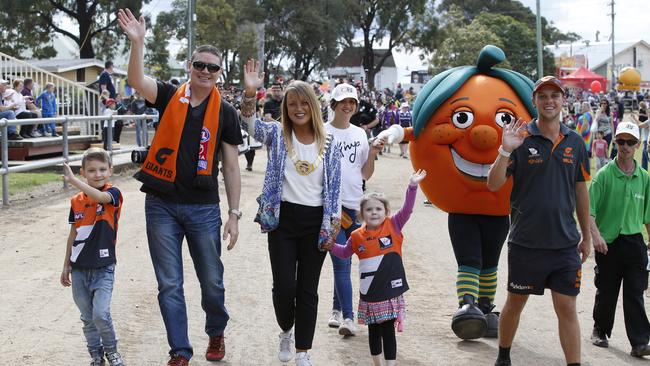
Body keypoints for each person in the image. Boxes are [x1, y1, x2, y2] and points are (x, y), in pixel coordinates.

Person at [118, 9, 243, 366]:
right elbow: (137, 80)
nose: (205, 71)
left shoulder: (228, 113)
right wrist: (137, 43)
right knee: (169, 284)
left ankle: (216, 330)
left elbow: (231, 167)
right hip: (161, 204)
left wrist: (234, 215)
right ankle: (180, 350)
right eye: (199, 65)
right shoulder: (171, 95)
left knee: (212, 283)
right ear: (190, 66)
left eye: (212, 68)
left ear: (219, 74)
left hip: (204, 208)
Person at [241, 59, 341, 366]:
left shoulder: (331, 141)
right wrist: (249, 93)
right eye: (292, 104)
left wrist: (334, 223)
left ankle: (303, 351)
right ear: (286, 107)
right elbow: (250, 125)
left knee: (307, 289)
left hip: (316, 223)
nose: (298, 109)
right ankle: (285, 330)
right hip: (283, 221)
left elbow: (334, 186)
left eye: (304, 103)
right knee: (284, 287)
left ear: (313, 106)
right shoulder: (277, 133)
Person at [487, 76, 591, 366]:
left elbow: (581, 189)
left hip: (565, 244)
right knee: (515, 303)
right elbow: (493, 184)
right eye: (542, 96)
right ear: (534, 101)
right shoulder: (520, 137)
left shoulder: (575, 141)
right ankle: (504, 356)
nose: (549, 101)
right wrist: (505, 149)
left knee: (567, 308)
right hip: (527, 243)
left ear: (563, 101)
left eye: (554, 96)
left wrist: (587, 235)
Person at [324, 169, 427, 366]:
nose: (374, 212)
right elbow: (345, 253)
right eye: (369, 209)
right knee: (374, 331)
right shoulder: (356, 236)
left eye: (378, 209)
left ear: (386, 212)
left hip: (390, 290)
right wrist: (330, 245)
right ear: (361, 214)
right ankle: (377, 363)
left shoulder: (394, 225)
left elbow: (407, 209)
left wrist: (412, 186)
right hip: (370, 291)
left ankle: (390, 364)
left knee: (388, 330)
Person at [324, 83, 385, 337]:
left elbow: (365, 173)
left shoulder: (360, 133)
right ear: (334, 105)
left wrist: (371, 152)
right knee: (341, 263)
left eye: (352, 102)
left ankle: (337, 310)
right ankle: (349, 317)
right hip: (332, 208)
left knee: (347, 263)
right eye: (342, 102)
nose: (347, 106)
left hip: (355, 207)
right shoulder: (322, 131)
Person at [588, 121, 650, 358]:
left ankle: (640, 342)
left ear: (637, 145)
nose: (625, 147)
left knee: (635, 293)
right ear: (615, 142)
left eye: (630, 142)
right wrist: (596, 236)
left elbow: (649, 215)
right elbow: (589, 211)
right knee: (606, 290)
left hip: (635, 243)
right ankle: (600, 330)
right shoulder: (603, 176)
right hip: (609, 243)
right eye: (621, 141)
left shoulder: (644, 178)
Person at [60, 148, 125, 366]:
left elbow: (99, 196)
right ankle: (96, 355)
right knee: (87, 318)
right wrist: (66, 265)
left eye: (102, 169)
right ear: (84, 172)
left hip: (103, 267)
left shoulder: (113, 193)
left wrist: (73, 180)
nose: (97, 174)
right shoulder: (76, 201)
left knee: (100, 314)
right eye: (92, 170)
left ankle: (112, 351)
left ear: (110, 171)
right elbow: (73, 233)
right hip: (79, 268)